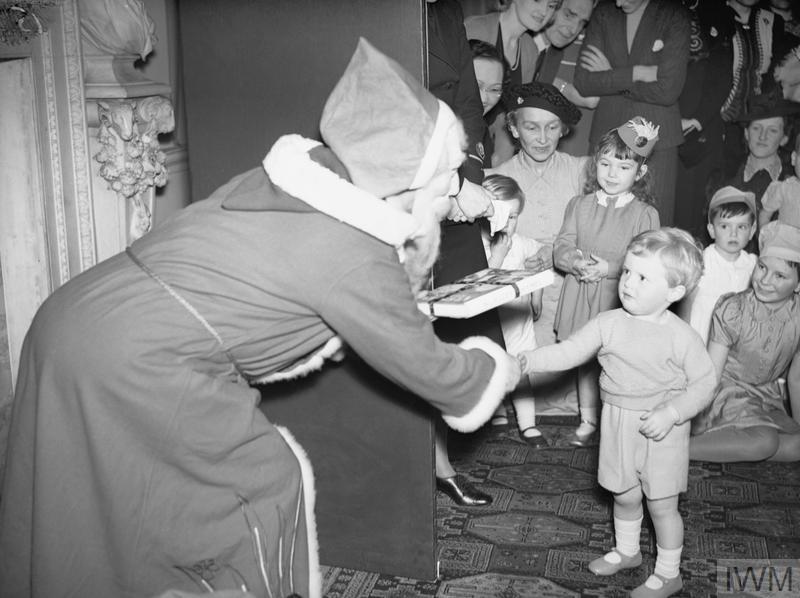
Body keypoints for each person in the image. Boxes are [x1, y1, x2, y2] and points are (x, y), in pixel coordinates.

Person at [0, 38, 522, 598]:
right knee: (262, 487)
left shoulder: (301, 179)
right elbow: (435, 372)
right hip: (139, 361)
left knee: (99, 499)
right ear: (404, 177)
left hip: (75, 321)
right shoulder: (351, 252)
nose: (453, 185)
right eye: (447, 171)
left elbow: (288, 284)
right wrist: (503, 368)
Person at [518, 228, 716, 598]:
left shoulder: (681, 335)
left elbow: (705, 384)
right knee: (623, 494)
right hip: (617, 423)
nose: (627, 283)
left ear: (675, 292)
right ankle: (627, 552)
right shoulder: (609, 323)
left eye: (643, 277)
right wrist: (529, 359)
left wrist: (673, 412)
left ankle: (669, 573)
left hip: (662, 430)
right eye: (626, 271)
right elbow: (570, 351)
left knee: (661, 506)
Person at [428, 0, 511, 507]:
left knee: (460, 327)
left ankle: (439, 455)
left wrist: (468, 180)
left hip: (454, 191)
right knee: (409, 333)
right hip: (404, 189)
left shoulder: (445, 13)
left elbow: (467, 108)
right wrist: (449, 181)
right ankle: (434, 462)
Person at [554, 116, 661, 446]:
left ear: (640, 173)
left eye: (624, 167)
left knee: (616, 363)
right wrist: (573, 260)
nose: (612, 174)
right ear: (594, 165)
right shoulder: (579, 205)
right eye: (605, 164)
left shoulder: (644, 213)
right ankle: (587, 419)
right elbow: (562, 244)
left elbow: (648, 263)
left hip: (618, 298)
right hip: (580, 292)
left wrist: (611, 268)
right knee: (585, 362)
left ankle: (615, 423)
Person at [488, 81, 588, 415]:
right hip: (528, 302)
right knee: (536, 391)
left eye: (552, 128)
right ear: (514, 129)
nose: (543, 139)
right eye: (532, 128)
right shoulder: (498, 179)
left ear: (564, 129)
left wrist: (559, 250)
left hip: (575, 290)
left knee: (579, 389)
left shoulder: (582, 172)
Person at [573, 0, 692, 227]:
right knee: (597, 223)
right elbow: (584, 82)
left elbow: (668, 90)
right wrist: (637, 72)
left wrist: (612, 76)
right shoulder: (605, 12)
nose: (618, 2)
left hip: (657, 142)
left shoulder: (674, 14)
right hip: (607, 134)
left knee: (652, 230)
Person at [691, 221, 800, 463]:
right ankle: (680, 449)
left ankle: (734, 442)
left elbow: (796, 377)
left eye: (780, 275)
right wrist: (699, 417)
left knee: (794, 446)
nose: (765, 280)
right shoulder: (733, 309)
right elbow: (712, 373)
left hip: (765, 395)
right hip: (725, 392)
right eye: (762, 267)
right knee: (766, 441)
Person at [481, 174, 547, 446]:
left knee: (521, 375)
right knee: (491, 373)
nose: (508, 225)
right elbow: (479, 282)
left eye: (514, 216)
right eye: (501, 216)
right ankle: (497, 414)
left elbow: (540, 260)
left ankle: (528, 424)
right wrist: (497, 255)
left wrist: (537, 296)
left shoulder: (520, 243)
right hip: (489, 326)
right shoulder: (477, 246)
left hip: (517, 325)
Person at [465, 0, 562, 163]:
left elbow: (511, 110)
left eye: (551, 5)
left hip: (488, 145)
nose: (544, 11)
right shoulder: (474, 29)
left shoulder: (529, 48)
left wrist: (501, 157)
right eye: (537, 0)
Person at [678, 186, 757, 344]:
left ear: (752, 230)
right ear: (712, 230)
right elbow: (686, 304)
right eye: (724, 226)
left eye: (741, 227)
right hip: (700, 339)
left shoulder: (753, 264)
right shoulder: (702, 261)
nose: (733, 234)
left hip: (735, 346)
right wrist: (684, 339)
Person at [532, 0, 599, 156]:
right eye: (569, 15)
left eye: (582, 23)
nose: (573, 29)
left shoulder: (578, 48)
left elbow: (591, 100)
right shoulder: (514, 40)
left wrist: (547, 81)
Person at [469, 39, 509, 166]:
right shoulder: (436, 125)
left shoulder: (482, 132)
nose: (484, 98)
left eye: (494, 89)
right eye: (476, 85)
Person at [759, 130, 800, 228]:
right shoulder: (785, 188)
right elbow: (765, 215)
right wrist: (764, 238)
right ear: (794, 158)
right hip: (783, 242)